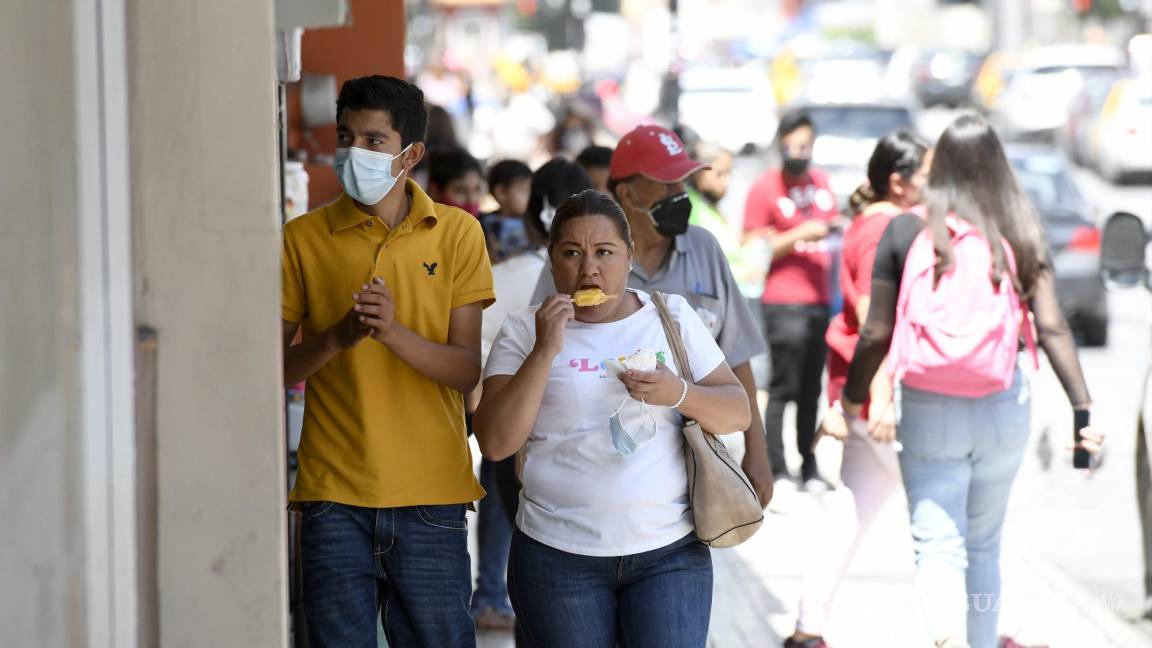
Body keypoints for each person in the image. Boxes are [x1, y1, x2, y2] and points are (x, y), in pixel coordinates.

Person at [842, 114, 1105, 648]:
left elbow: (876, 330)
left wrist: (848, 401)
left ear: (939, 167)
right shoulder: (1020, 228)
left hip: (930, 402)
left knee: (939, 542)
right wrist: (1083, 412)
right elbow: (1051, 327)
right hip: (1002, 401)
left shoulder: (906, 227)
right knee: (983, 544)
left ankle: (946, 637)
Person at [475, 190, 751, 646]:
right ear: (552, 261)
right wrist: (546, 351)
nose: (589, 269)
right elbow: (496, 442)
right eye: (571, 253)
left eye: (604, 252)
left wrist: (677, 392)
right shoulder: (526, 330)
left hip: (669, 552)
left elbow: (736, 411)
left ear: (629, 256)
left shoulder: (671, 316)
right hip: (556, 557)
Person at [281, 75, 493, 647]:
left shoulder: (458, 234)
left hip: (433, 496)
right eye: (346, 136)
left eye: (374, 141)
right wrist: (336, 338)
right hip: (332, 498)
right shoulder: (301, 238)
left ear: (411, 154)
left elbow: (465, 369)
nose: (355, 152)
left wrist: (392, 333)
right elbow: (272, 370)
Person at [529, 126, 775, 509]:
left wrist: (757, 451)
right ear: (627, 193)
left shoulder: (704, 249)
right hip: (589, 480)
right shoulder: (575, 260)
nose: (680, 195)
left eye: (683, 184)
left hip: (692, 470)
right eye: (666, 186)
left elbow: (736, 355)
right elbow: (536, 353)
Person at [783, 131, 932, 648]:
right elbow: (875, 320)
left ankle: (808, 628)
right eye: (928, 176)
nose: (937, 187)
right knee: (949, 518)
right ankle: (970, 630)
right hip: (878, 393)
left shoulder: (874, 224)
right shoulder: (883, 229)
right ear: (899, 182)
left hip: (863, 388)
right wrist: (886, 393)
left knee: (850, 514)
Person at [744, 110, 841, 496]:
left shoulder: (822, 182)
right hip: (783, 301)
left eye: (805, 145)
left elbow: (835, 228)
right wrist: (799, 232)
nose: (799, 152)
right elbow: (752, 249)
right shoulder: (765, 187)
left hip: (820, 300)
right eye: (791, 146)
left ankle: (809, 464)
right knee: (782, 388)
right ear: (780, 145)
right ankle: (777, 467)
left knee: (810, 390)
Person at [480, 159, 533, 263]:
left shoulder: (531, 222)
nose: (530, 197)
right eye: (524, 191)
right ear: (501, 192)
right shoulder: (485, 224)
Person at [427, 147, 485, 217]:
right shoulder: (415, 226)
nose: (471, 200)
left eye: (477, 189)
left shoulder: (489, 225)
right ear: (434, 191)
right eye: (460, 191)